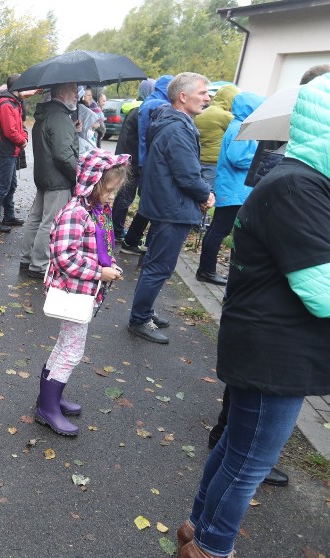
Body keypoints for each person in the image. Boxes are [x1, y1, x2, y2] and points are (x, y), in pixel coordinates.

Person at [178, 73, 330, 558]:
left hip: (269, 342)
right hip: (275, 349)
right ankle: (210, 547)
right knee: (248, 462)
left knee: (236, 450)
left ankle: (196, 530)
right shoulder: (298, 187)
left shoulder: (299, 180)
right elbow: (323, 292)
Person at [35, 149, 128, 436]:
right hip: (72, 292)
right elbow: (64, 256)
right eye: (108, 191)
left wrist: (107, 261)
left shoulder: (94, 211)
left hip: (82, 291)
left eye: (114, 192)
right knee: (72, 350)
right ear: (92, 183)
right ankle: (47, 407)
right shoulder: (76, 212)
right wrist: (100, 272)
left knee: (65, 345)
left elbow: (96, 246)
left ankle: (50, 397)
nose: (112, 197)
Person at [127, 72, 214, 344]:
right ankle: (139, 318)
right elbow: (187, 174)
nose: (208, 98)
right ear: (183, 96)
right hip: (172, 207)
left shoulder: (174, 123)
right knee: (159, 267)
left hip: (168, 204)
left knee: (155, 263)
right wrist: (205, 194)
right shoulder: (177, 128)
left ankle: (145, 311)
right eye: (203, 93)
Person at [195, 92, 263, 285]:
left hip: (235, 188)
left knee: (218, 229)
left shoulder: (241, 126)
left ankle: (206, 270)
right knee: (219, 230)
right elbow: (237, 158)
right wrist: (260, 159)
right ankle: (206, 271)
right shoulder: (241, 128)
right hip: (234, 189)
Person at [19, 82, 79, 280]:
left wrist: (72, 130)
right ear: (61, 93)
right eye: (73, 91)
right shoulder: (60, 118)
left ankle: (27, 259)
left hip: (44, 176)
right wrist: (79, 175)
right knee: (49, 222)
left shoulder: (47, 114)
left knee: (36, 219)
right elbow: (63, 155)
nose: (76, 95)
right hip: (58, 179)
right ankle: (39, 264)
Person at [121, 75, 174, 255]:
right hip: (149, 164)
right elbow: (149, 140)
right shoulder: (158, 106)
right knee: (151, 204)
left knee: (145, 203)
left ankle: (131, 240)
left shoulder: (150, 103)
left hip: (143, 162)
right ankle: (141, 245)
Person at [112, 78, 156, 242]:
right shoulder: (141, 111)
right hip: (133, 160)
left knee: (123, 195)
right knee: (125, 196)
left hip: (126, 157)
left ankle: (116, 227)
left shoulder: (134, 108)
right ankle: (117, 229)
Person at [0, 74, 27, 233]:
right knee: (3, 186)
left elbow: (19, 126)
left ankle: (8, 216)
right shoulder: (6, 104)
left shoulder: (15, 103)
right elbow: (10, 131)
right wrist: (22, 140)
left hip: (12, 149)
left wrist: (24, 136)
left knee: (11, 184)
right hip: (6, 150)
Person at [194, 84, 238, 194]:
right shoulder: (225, 116)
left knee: (197, 188)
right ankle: (202, 210)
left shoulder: (201, 113)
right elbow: (238, 131)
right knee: (208, 192)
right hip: (214, 161)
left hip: (199, 157)